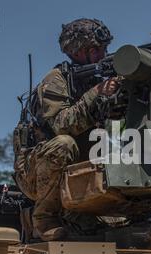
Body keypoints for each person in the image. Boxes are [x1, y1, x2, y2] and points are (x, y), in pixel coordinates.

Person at [13, 18, 119, 241]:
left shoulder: (94, 79)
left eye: (104, 48)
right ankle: (44, 220)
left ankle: (82, 212)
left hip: (77, 169)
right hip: (36, 174)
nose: (104, 54)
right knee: (64, 143)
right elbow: (61, 124)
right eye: (96, 49)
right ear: (79, 52)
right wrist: (97, 93)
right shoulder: (55, 80)